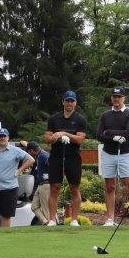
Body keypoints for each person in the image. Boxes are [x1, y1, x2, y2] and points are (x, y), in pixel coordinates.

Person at [96, 87, 129, 227]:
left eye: (119, 97)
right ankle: (110, 219)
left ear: (124, 98)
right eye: (114, 96)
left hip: (125, 153)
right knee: (110, 187)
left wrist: (108, 132)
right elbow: (98, 135)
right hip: (108, 154)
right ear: (111, 98)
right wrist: (114, 136)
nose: (116, 99)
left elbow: (128, 133)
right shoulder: (105, 115)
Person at [44, 90, 88, 227]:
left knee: (74, 188)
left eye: (72, 101)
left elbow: (80, 139)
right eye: (67, 100)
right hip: (56, 156)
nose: (69, 103)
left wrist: (65, 134)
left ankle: (74, 220)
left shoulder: (80, 119)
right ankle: (52, 219)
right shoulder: (54, 119)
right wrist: (54, 137)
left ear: (75, 103)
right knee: (54, 187)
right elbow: (47, 138)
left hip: (73, 157)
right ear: (63, 102)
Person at [24, 140, 52, 225]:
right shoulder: (39, 155)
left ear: (32, 150)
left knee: (45, 207)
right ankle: (46, 222)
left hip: (46, 184)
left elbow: (52, 164)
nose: (29, 154)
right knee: (34, 207)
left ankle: (50, 225)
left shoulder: (43, 155)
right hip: (40, 184)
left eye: (29, 151)